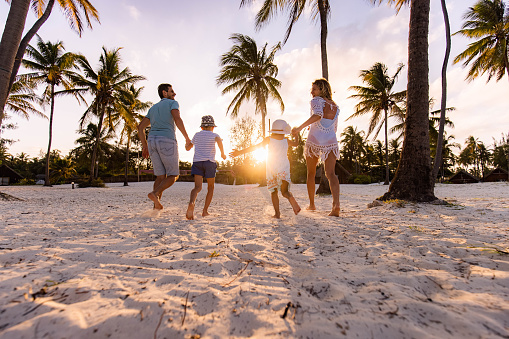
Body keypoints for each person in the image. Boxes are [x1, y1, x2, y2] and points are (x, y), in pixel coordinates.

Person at [230, 119, 301, 219]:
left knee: (274, 191)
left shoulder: (269, 139)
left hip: (272, 167)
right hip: (284, 167)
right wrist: (296, 135)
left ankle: (277, 214)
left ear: (273, 130)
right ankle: (290, 198)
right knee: (285, 191)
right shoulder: (286, 140)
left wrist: (239, 152)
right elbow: (296, 144)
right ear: (283, 131)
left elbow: (255, 147)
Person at [137, 83, 192, 210]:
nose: (174, 93)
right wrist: (187, 138)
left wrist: (144, 146)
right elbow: (177, 119)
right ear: (164, 93)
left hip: (152, 141)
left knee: (160, 176)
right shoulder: (172, 103)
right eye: (172, 91)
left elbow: (140, 128)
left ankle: (156, 206)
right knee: (173, 175)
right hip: (166, 140)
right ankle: (155, 194)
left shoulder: (153, 108)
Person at [291, 78, 340, 217]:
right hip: (331, 140)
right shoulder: (335, 106)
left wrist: (300, 128)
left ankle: (312, 205)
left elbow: (318, 115)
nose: (311, 92)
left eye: (314, 89)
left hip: (314, 139)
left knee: (311, 173)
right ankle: (336, 205)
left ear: (322, 89)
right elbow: (334, 128)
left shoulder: (316, 101)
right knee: (331, 173)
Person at [185, 115, 227, 220]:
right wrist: (222, 153)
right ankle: (205, 211)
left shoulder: (197, 135)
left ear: (202, 127)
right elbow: (219, 140)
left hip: (197, 162)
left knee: (197, 187)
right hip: (209, 163)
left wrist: (187, 144)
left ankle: (191, 203)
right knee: (211, 187)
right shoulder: (214, 135)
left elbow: (188, 148)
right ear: (213, 127)